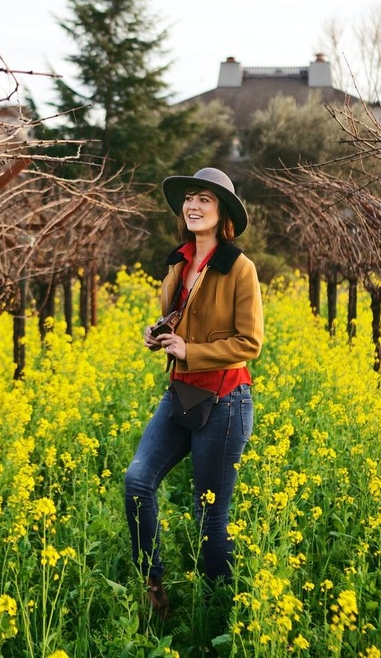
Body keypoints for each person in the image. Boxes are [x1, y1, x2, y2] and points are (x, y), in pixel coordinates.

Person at [124, 167, 264, 620]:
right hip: (180, 393)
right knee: (137, 482)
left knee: (212, 517)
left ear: (221, 211)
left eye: (205, 198)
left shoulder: (239, 267)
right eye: (189, 198)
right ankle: (156, 589)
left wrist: (191, 349)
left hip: (226, 401)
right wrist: (159, 331)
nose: (194, 205)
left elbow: (250, 343)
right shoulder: (178, 262)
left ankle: (220, 612)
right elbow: (179, 320)